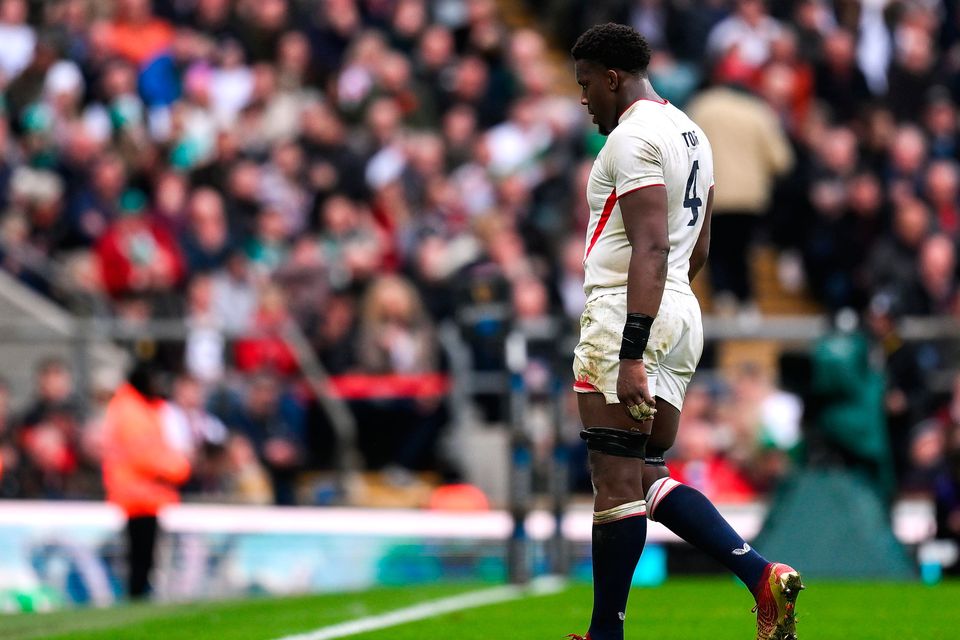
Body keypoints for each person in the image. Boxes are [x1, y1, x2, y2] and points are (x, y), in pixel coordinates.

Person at [566, 24, 802, 640]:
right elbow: (697, 247)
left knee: (614, 481)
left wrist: (632, 348)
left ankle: (605, 634)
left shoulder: (631, 139)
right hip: (681, 307)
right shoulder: (691, 132)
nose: (584, 98)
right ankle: (758, 574)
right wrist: (666, 309)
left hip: (627, 310)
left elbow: (651, 242)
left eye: (586, 83)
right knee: (646, 474)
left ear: (612, 77)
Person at [101, 354, 190, 599]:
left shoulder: (140, 407)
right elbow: (143, 454)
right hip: (137, 494)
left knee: (144, 552)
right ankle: (137, 594)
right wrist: (178, 468)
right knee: (140, 552)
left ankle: (139, 592)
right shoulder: (131, 410)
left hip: (145, 494)